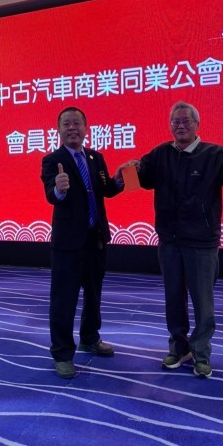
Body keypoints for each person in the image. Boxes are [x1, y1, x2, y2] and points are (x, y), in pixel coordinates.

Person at [133, 100, 223, 378]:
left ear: (197, 124)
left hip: (202, 244)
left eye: (186, 121)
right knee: (173, 300)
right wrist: (132, 169)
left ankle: (201, 354)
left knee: (203, 305)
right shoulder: (161, 154)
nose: (180, 126)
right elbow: (142, 178)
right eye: (175, 122)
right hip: (169, 242)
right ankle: (178, 348)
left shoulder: (213, 154)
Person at [40, 106, 130, 379]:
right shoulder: (52, 160)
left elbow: (107, 189)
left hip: (96, 239)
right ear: (58, 130)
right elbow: (51, 194)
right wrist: (59, 189)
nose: (72, 128)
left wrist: (120, 179)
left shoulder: (95, 157)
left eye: (77, 123)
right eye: (66, 124)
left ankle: (90, 338)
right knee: (63, 300)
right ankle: (62, 353)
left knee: (93, 295)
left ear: (86, 128)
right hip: (68, 244)